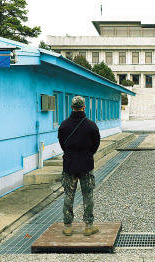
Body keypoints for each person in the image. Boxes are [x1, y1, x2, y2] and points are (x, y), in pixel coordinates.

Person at [58, 96, 101, 236]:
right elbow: (96, 145)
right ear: (84, 107)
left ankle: (67, 226)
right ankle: (88, 226)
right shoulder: (91, 125)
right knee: (88, 194)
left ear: (71, 107)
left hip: (69, 163)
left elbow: (62, 145)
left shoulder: (64, 125)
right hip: (86, 163)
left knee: (68, 195)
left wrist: (71, 153)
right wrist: (87, 154)